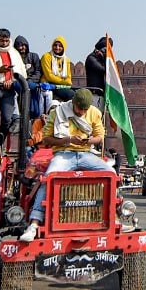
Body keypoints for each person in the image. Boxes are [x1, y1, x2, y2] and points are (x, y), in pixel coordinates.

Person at [24, 88, 115, 241]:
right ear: (73, 104)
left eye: (85, 109)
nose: (82, 112)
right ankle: (34, 223)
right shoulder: (58, 113)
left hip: (85, 153)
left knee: (111, 174)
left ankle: (116, 217)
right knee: (48, 178)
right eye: (80, 109)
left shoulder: (94, 113)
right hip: (64, 153)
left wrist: (87, 141)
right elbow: (46, 139)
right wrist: (69, 140)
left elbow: (99, 137)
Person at [38, 36, 73, 117]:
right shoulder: (46, 56)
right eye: (55, 45)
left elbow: (69, 78)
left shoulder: (66, 60)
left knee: (74, 95)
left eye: (60, 46)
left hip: (60, 86)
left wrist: (65, 82)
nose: (57, 48)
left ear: (64, 47)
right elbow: (49, 76)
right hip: (48, 84)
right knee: (71, 94)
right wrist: (63, 81)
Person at [13, 36, 43, 120]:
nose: (23, 47)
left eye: (24, 45)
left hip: (31, 83)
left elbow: (38, 72)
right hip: (18, 84)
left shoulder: (33, 56)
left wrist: (29, 81)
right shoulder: (13, 58)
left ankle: (36, 116)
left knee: (35, 91)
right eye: (20, 45)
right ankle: (17, 118)